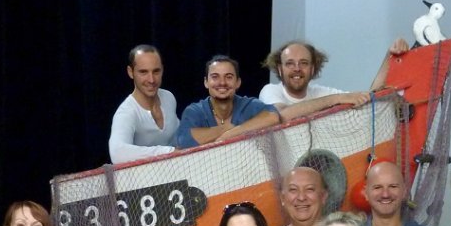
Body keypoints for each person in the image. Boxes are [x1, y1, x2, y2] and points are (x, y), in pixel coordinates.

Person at [258, 38, 410, 122]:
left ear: (312, 68)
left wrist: (389, 57)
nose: (297, 68)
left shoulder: (321, 92)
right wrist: (337, 99)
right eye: (290, 63)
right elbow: (282, 115)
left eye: (303, 63)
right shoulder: (270, 91)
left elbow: (369, 97)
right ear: (279, 69)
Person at [175, 55, 280, 148]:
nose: (222, 82)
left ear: (238, 82)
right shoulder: (194, 111)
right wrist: (226, 128)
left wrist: (232, 133)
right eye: (215, 77)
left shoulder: (249, 105)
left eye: (229, 77)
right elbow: (184, 141)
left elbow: (273, 116)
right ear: (206, 82)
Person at [108, 44, 179, 164]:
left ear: (162, 69)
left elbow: (178, 136)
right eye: (143, 72)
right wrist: (169, 152)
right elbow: (117, 153)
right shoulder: (126, 112)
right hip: (144, 181)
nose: (151, 80)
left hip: (177, 174)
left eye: (156, 71)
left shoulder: (168, 97)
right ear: (131, 72)